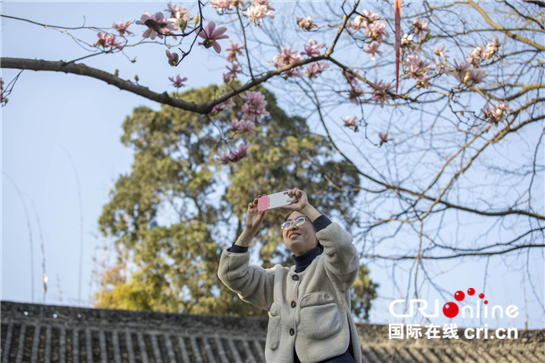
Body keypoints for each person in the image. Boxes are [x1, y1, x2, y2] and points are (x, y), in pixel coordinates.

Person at [217, 187, 362, 363]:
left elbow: (342, 247)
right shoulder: (276, 280)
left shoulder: (332, 268)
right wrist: (249, 229)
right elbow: (231, 275)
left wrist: (306, 207)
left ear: (318, 233)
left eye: (300, 220)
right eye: (286, 224)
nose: (292, 226)